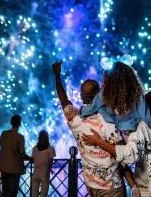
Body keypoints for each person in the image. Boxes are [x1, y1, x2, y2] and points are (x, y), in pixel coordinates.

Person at [52, 61, 139, 197]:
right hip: (111, 187)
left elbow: (63, 98)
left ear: (81, 96)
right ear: (99, 95)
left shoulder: (74, 118)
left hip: (90, 183)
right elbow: (123, 154)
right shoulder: (108, 121)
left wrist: (57, 76)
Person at [79, 61, 151, 141]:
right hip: (134, 132)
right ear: (130, 76)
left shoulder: (104, 95)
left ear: (108, 79)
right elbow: (145, 116)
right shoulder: (136, 93)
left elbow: (90, 109)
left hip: (116, 132)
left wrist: (77, 112)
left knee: (101, 110)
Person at [0, 114, 33, 197]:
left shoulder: (4, 134)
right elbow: (22, 154)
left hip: (3, 167)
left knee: (5, 192)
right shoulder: (20, 137)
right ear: (20, 124)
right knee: (13, 193)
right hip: (14, 168)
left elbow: (1, 145)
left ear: (11, 123)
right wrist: (31, 158)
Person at [31, 130, 56, 197]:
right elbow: (51, 161)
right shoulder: (50, 149)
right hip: (45, 172)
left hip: (35, 172)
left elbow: (33, 159)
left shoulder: (34, 148)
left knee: (34, 194)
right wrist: (50, 169)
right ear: (47, 138)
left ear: (39, 137)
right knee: (44, 194)